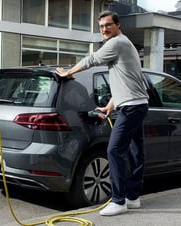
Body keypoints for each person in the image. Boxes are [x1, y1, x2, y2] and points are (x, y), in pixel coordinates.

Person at [55, 10, 149, 216]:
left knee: (114, 150)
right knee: (136, 152)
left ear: (118, 25)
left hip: (132, 107)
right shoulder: (126, 44)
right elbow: (126, 81)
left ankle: (118, 201)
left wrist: (68, 72)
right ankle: (133, 197)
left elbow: (92, 60)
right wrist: (110, 106)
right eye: (101, 27)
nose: (104, 29)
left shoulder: (117, 43)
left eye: (108, 25)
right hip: (135, 104)